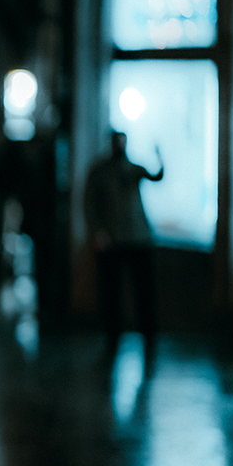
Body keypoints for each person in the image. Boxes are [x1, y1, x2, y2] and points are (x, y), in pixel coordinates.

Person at [84, 131, 164, 353]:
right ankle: (112, 337)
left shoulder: (133, 169)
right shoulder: (101, 171)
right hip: (113, 240)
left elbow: (156, 176)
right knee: (111, 292)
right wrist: (99, 232)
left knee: (144, 290)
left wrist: (159, 156)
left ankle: (149, 335)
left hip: (139, 238)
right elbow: (90, 204)